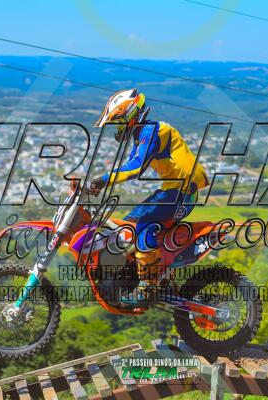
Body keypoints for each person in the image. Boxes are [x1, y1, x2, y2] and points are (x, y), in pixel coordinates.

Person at [86, 88, 208, 306]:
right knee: (128, 225)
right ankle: (136, 275)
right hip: (171, 190)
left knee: (143, 226)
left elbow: (135, 168)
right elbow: (129, 165)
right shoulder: (142, 135)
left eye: (119, 122)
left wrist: (102, 180)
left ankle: (147, 286)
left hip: (182, 193)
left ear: (131, 115)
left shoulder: (152, 131)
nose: (118, 128)